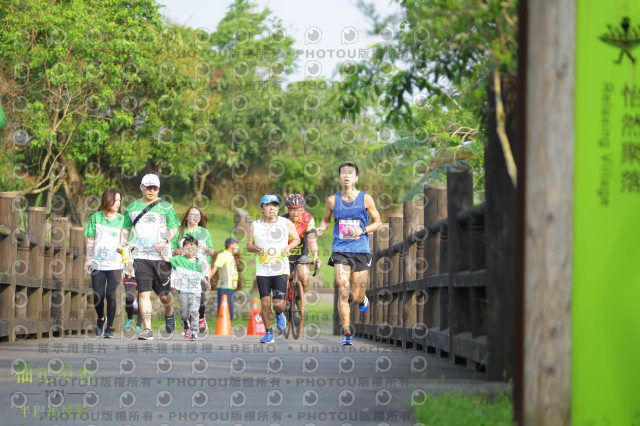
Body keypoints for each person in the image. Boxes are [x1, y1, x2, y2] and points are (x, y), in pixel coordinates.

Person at [316, 162, 382, 345]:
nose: (346, 176)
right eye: (343, 173)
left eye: (350, 173)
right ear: (339, 178)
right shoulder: (332, 200)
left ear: (356, 178)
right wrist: (321, 228)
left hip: (360, 250)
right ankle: (347, 332)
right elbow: (326, 220)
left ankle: (362, 301)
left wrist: (362, 230)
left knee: (356, 294)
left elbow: (378, 222)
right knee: (343, 288)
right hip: (340, 250)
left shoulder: (366, 199)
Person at [120, 174, 180, 341]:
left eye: (155, 188)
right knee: (144, 293)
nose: (151, 190)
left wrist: (165, 240)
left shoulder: (166, 207)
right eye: (148, 187)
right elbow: (125, 229)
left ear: (159, 189)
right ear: (141, 187)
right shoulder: (131, 208)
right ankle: (148, 329)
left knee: (163, 295)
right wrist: (123, 243)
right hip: (140, 256)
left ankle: (169, 312)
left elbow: (174, 228)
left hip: (161, 257)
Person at [247, 195, 300, 344]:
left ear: (278, 208)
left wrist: (289, 247)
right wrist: (253, 248)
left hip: (280, 269)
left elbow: (297, 239)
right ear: (262, 208)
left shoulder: (285, 223)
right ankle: (268, 332)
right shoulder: (255, 225)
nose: (272, 208)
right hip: (263, 270)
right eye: (268, 205)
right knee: (264, 304)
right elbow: (248, 245)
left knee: (278, 304)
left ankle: (279, 314)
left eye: (275, 205)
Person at [84, 188, 124, 339]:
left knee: (111, 294)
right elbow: (90, 239)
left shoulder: (122, 220)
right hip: (97, 262)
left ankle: (110, 327)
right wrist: (87, 258)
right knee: (98, 294)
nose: (118, 203)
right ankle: (101, 318)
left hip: (115, 263)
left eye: (119, 200)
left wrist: (127, 265)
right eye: (115, 200)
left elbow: (126, 243)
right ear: (107, 200)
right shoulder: (95, 217)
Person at [172, 206, 215, 336]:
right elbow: (173, 251)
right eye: (192, 214)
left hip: (201, 269)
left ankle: (201, 317)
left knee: (199, 299)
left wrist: (206, 247)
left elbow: (212, 252)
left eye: (198, 215)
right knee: (186, 300)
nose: (195, 217)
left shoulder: (205, 232)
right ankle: (189, 327)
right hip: (183, 271)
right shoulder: (180, 232)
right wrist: (183, 251)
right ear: (187, 217)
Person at [161, 235, 209, 341]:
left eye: (193, 248)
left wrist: (206, 282)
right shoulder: (178, 259)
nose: (190, 250)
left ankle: (193, 331)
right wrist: (162, 250)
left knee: (194, 311)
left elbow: (200, 275)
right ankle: (184, 321)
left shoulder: (198, 262)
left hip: (196, 291)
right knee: (185, 313)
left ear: (197, 249)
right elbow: (166, 258)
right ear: (183, 249)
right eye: (187, 248)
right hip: (184, 291)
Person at [282, 194, 321, 293]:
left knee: (304, 277)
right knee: (283, 282)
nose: (296, 213)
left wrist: (315, 256)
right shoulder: (282, 221)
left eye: (299, 210)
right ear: (288, 209)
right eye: (292, 210)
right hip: (285, 256)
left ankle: (300, 298)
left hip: (301, 254)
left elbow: (312, 240)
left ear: (303, 209)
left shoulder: (307, 219)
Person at [210, 237, 241, 320]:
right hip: (224, 286)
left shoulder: (231, 256)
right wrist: (207, 280)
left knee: (230, 310)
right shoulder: (223, 255)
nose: (237, 245)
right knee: (224, 309)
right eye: (236, 243)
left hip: (231, 287)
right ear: (230, 244)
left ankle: (227, 329)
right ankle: (222, 329)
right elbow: (215, 268)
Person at [122, 262, 142, 334]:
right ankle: (130, 318)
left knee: (142, 300)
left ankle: (139, 325)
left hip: (144, 272)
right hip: (129, 272)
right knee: (129, 298)